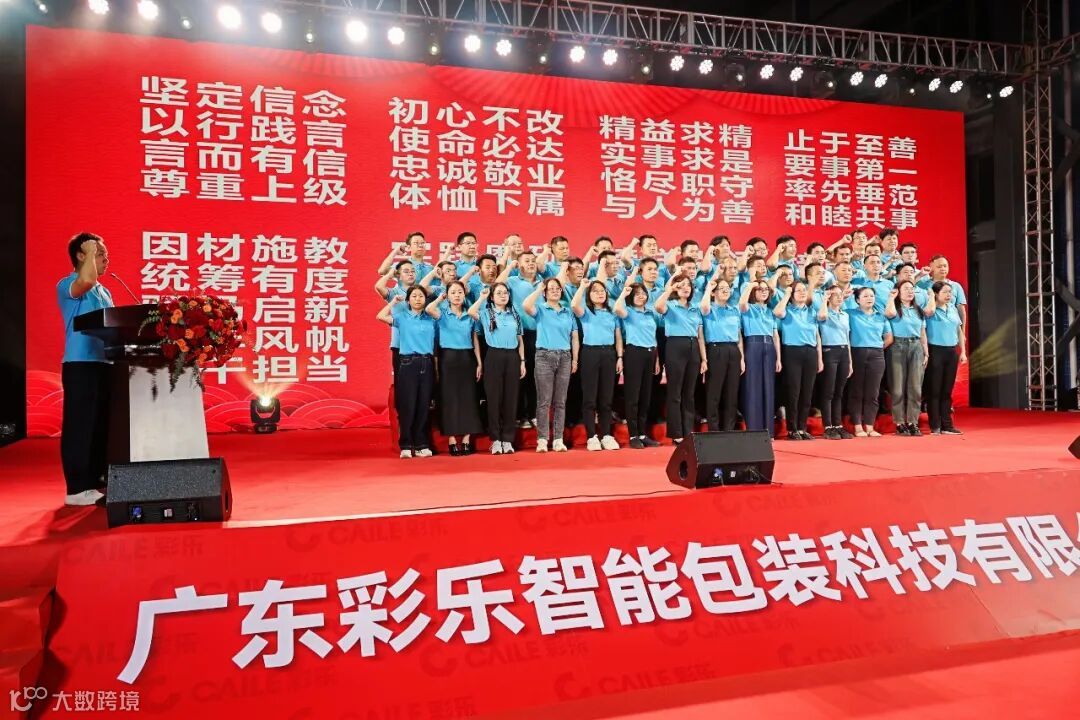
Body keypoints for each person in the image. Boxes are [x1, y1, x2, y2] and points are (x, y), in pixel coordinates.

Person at [58, 232, 114, 506]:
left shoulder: (104, 291)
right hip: (80, 364)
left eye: (105, 255)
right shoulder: (68, 284)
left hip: (104, 363)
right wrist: (91, 249)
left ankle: (96, 479)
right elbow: (86, 280)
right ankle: (77, 488)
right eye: (100, 254)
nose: (106, 260)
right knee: (80, 425)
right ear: (82, 255)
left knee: (101, 424)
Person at [377, 287, 437, 458]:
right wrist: (393, 302)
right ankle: (406, 444)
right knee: (408, 405)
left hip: (427, 362)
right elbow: (380, 316)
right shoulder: (402, 317)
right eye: (414, 296)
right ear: (408, 300)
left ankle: (421, 444)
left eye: (421, 296)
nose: (418, 299)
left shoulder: (431, 319)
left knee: (423, 405)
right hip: (408, 362)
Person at [425, 282, 484, 455]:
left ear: (464, 295)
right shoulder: (442, 314)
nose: (457, 295)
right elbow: (429, 309)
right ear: (447, 295)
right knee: (449, 398)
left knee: (468, 398)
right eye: (453, 292)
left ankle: (466, 439)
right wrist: (440, 298)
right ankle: (451, 439)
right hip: (448, 359)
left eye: (460, 292)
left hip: (467, 358)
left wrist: (479, 362)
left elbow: (475, 339)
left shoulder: (470, 315)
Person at [468, 283, 525, 454]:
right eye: (498, 293)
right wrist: (482, 297)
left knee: (511, 399)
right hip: (494, 355)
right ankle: (496, 439)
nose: (503, 295)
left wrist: (522, 361)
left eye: (505, 292)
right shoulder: (486, 313)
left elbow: (520, 339)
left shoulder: (514, 314)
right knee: (494, 399)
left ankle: (508, 439)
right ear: (492, 297)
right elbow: (471, 311)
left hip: (512, 356)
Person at [523, 278, 578, 452]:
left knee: (560, 401)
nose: (554, 291)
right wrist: (539, 289)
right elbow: (526, 305)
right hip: (544, 356)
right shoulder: (540, 309)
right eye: (550, 288)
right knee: (544, 401)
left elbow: (574, 336)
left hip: (565, 356)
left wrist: (575, 359)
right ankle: (542, 439)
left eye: (557, 288)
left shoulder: (568, 312)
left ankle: (558, 439)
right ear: (545, 292)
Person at [654, 274, 707, 444]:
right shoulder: (671, 305)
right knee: (675, 391)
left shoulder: (695, 308)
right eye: (681, 285)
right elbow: (658, 306)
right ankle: (676, 433)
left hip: (693, 347)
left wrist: (704, 359)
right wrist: (670, 289)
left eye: (688, 285)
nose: (685, 288)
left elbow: (700, 335)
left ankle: (688, 431)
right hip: (675, 345)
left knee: (689, 393)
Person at [571, 279, 623, 450]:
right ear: (589, 295)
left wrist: (620, 357)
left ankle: (606, 435)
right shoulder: (586, 311)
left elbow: (618, 336)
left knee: (606, 398)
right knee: (590, 397)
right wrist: (583, 287)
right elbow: (574, 305)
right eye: (595, 291)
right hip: (590, 353)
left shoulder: (612, 312)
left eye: (602, 291)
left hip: (609, 354)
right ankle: (591, 436)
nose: (600, 294)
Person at [614, 272, 662, 448]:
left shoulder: (650, 313)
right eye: (637, 294)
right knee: (633, 396)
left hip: (650, 354)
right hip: (634, 353)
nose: (641, 296)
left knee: (645, 396)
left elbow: (653, 336)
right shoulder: (628, 312)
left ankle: (642, 433)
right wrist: (624, 293)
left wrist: (657, 359)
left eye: (643, 293)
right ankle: (633, 435)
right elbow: (617, 308)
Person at [773, 282, 822, 440]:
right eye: (798, 291)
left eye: (804, 290)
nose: (802, 293)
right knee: (793, 392)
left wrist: (820, 358)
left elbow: (817, 335)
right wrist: (786, 294)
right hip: (792, 351)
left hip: (811, 352)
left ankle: (802, 427)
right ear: (792, 294)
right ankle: (792, 428)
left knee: (807, 392)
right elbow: (777, 312)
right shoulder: (787, 310)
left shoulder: (812, 311)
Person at [503, 252, 543, 428]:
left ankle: (533, 413)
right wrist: (509, 267)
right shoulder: (512, 281)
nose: (531, 263)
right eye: (527, 261)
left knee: (537, 376)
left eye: (533, 260)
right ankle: (520, 415)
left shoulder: (543, 282)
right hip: (519, 335)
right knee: (520, 375)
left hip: (540, 334)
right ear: (519, 265)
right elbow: (497, 285)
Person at [699, 275, 744, 432]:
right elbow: (704, 307)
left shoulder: (734, 310)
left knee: (732, 392)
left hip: (733, 350)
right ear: (713, 292)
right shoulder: (709, 308)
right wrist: (708, 289)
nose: (726, 291)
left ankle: (729, 429)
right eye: (721, 288)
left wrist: (742, 358)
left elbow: (738, 336)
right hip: (715, 349)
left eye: (728, 288)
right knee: (714, 392)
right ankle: (714, 429)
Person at [885, 281, 930, 436]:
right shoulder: (894, 307)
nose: (910, 291)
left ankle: (912, 422)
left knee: (915, 387)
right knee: (897, 387)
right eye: (906, 289)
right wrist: (891, 298)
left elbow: (922, 333)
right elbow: (889, 314)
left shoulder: (918, 310)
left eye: (912, 289)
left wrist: (926, 352)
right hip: (897, 346)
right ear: (898, 291)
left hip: (916, 346)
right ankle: (899, 422)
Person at [738, 280, 781, 437]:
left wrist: (779, 358)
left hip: (769, 347)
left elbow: (775, 335)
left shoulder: (770, 311)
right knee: (753, 387)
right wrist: (750, 285)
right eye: (759, 289)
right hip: (753, 345)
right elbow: (742, 303)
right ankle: (754, 430)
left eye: (766, 289)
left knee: (768, 388)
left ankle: (768, 431)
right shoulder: (748, 309)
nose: (763, 291)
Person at [848, 287, 893, 437]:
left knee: (873, 392)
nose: (869, 298)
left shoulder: (881, 316)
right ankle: (857, 426)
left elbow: (888, 337)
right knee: (857, 391)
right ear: (857, 300)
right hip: (857, 353)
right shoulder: (850, 314)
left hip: (877, 355)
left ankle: (869, 426)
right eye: (865, 296)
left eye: (872, 296)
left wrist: (876, 346)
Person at [924, 281, 967, 435]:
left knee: (947, 390)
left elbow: (959, 331)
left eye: (950, 292)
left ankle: (947, 425)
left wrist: (963, 352)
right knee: (934, 390)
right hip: (935, 350)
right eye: (945, 292)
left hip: (951, 351)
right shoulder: (931, 309)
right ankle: (935, 425)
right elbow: (928, 313)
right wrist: (931, 297)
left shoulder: (952, 309)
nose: (949, 295)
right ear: (936, 293)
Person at [817, 286, 854, 440]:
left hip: (843, 351)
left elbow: (847, 338)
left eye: (841, 294)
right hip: (829, 351)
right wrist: (824, 300)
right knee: (829, 391)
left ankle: (838, 424)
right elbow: (821, 317)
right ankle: (828, 426)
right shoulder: (824, 312)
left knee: (839, 391)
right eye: (835, 295)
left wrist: (850, 361)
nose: (839, 297)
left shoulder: (845, 315)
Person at [375, 259, 417, 376]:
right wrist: (390, 274)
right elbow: (379, 286)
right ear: (398, 275)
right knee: (401, 381)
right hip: (400, 344)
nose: (410, 274)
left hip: (420, 344)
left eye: (413, 271)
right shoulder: (394, 292)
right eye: (406, 271)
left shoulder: (420, 292)